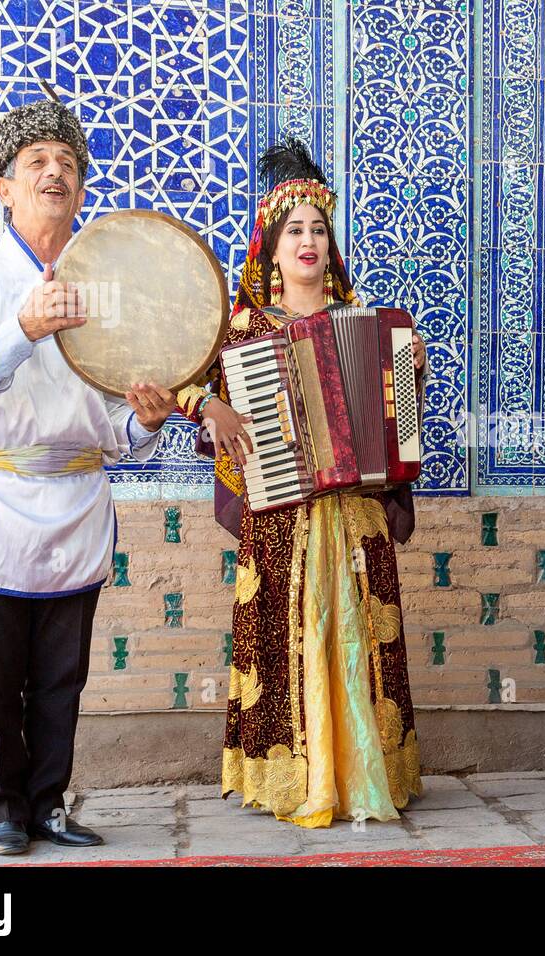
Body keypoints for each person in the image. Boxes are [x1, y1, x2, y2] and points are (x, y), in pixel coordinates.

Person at [0, 98, 176, 855]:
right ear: (5, 187)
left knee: (62, 677)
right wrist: (21, 328)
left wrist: (147, 419)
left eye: (69, 163)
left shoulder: (109, 286)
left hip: (77, 500)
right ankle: (1, 810)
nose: (56, 173)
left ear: (83, 188)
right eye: (37, 163)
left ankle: (50, 803)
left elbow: (112, 427)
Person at [174, 138, 426, 826]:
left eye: (318, 229)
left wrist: (405, 374)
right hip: (281, 513)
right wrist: (209, 403)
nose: (309, 240)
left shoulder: (370, 324)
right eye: (295, 230)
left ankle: (365, 770)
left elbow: (397, 423)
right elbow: (182, 382)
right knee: (289, 636)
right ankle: (294, 775)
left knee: (357, 635)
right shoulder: (243, 326)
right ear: (272, 246)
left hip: (355, 513)